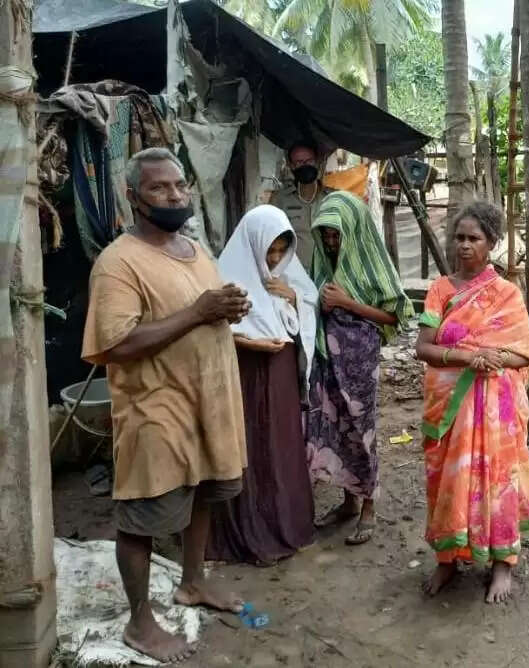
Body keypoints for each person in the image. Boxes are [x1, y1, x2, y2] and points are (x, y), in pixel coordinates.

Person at [81, 148, 249, 663]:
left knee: (204, 492)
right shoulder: (118, 262)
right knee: (142, 517)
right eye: (160, 188)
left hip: (209, 402)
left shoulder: (194, 249)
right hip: (157, 408)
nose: (175, 195)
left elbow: (200, 310)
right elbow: (117, 345)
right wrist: (200, 312)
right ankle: (139, 622)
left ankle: (193, 582)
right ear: (134, 197)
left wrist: (227, 308)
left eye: (179, 185)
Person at [415, 201, 529, 604]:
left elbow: (524, 354)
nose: (465, 245)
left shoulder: (505, 294)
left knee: (499, 482)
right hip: (449, 407)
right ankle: (448, 559)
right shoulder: (440, 289)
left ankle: (503, 562)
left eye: (475, 238)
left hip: (495, 413)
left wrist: (491, 359)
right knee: (447, 481)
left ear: (491, 244)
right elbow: (423, 347)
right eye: (460, 237)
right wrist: (470, 357)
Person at [207, 205, 319, 565]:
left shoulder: (288, 274)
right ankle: (249, 530)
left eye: (279, 251)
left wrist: (294, 298)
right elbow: (211, 329)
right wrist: (249, 342)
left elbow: (306, 312)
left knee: (281, 442)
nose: (273, 259)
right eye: (268, 250)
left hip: (280, 370)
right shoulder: (226, 276)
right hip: (244, 370)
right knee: (249, 445)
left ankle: (285, 525)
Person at [305, 191, 414, 545]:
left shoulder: (370, 263)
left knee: (360, 429)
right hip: (326, 360)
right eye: (327, 235)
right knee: (333, 428)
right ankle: (348, 501)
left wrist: (345, 302)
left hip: (359, 361)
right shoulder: (322, 264)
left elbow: (395, 314)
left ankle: (369, 505)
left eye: (338, 235)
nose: (332, 242)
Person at [270, 140, 330, 266]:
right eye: (299, 162)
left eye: (309, 161)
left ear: (317, 162)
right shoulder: (280, 200)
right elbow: (272, 238)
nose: (305, 165)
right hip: (294, 276)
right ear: (291, 166)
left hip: (327, 275)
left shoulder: (333, 198)